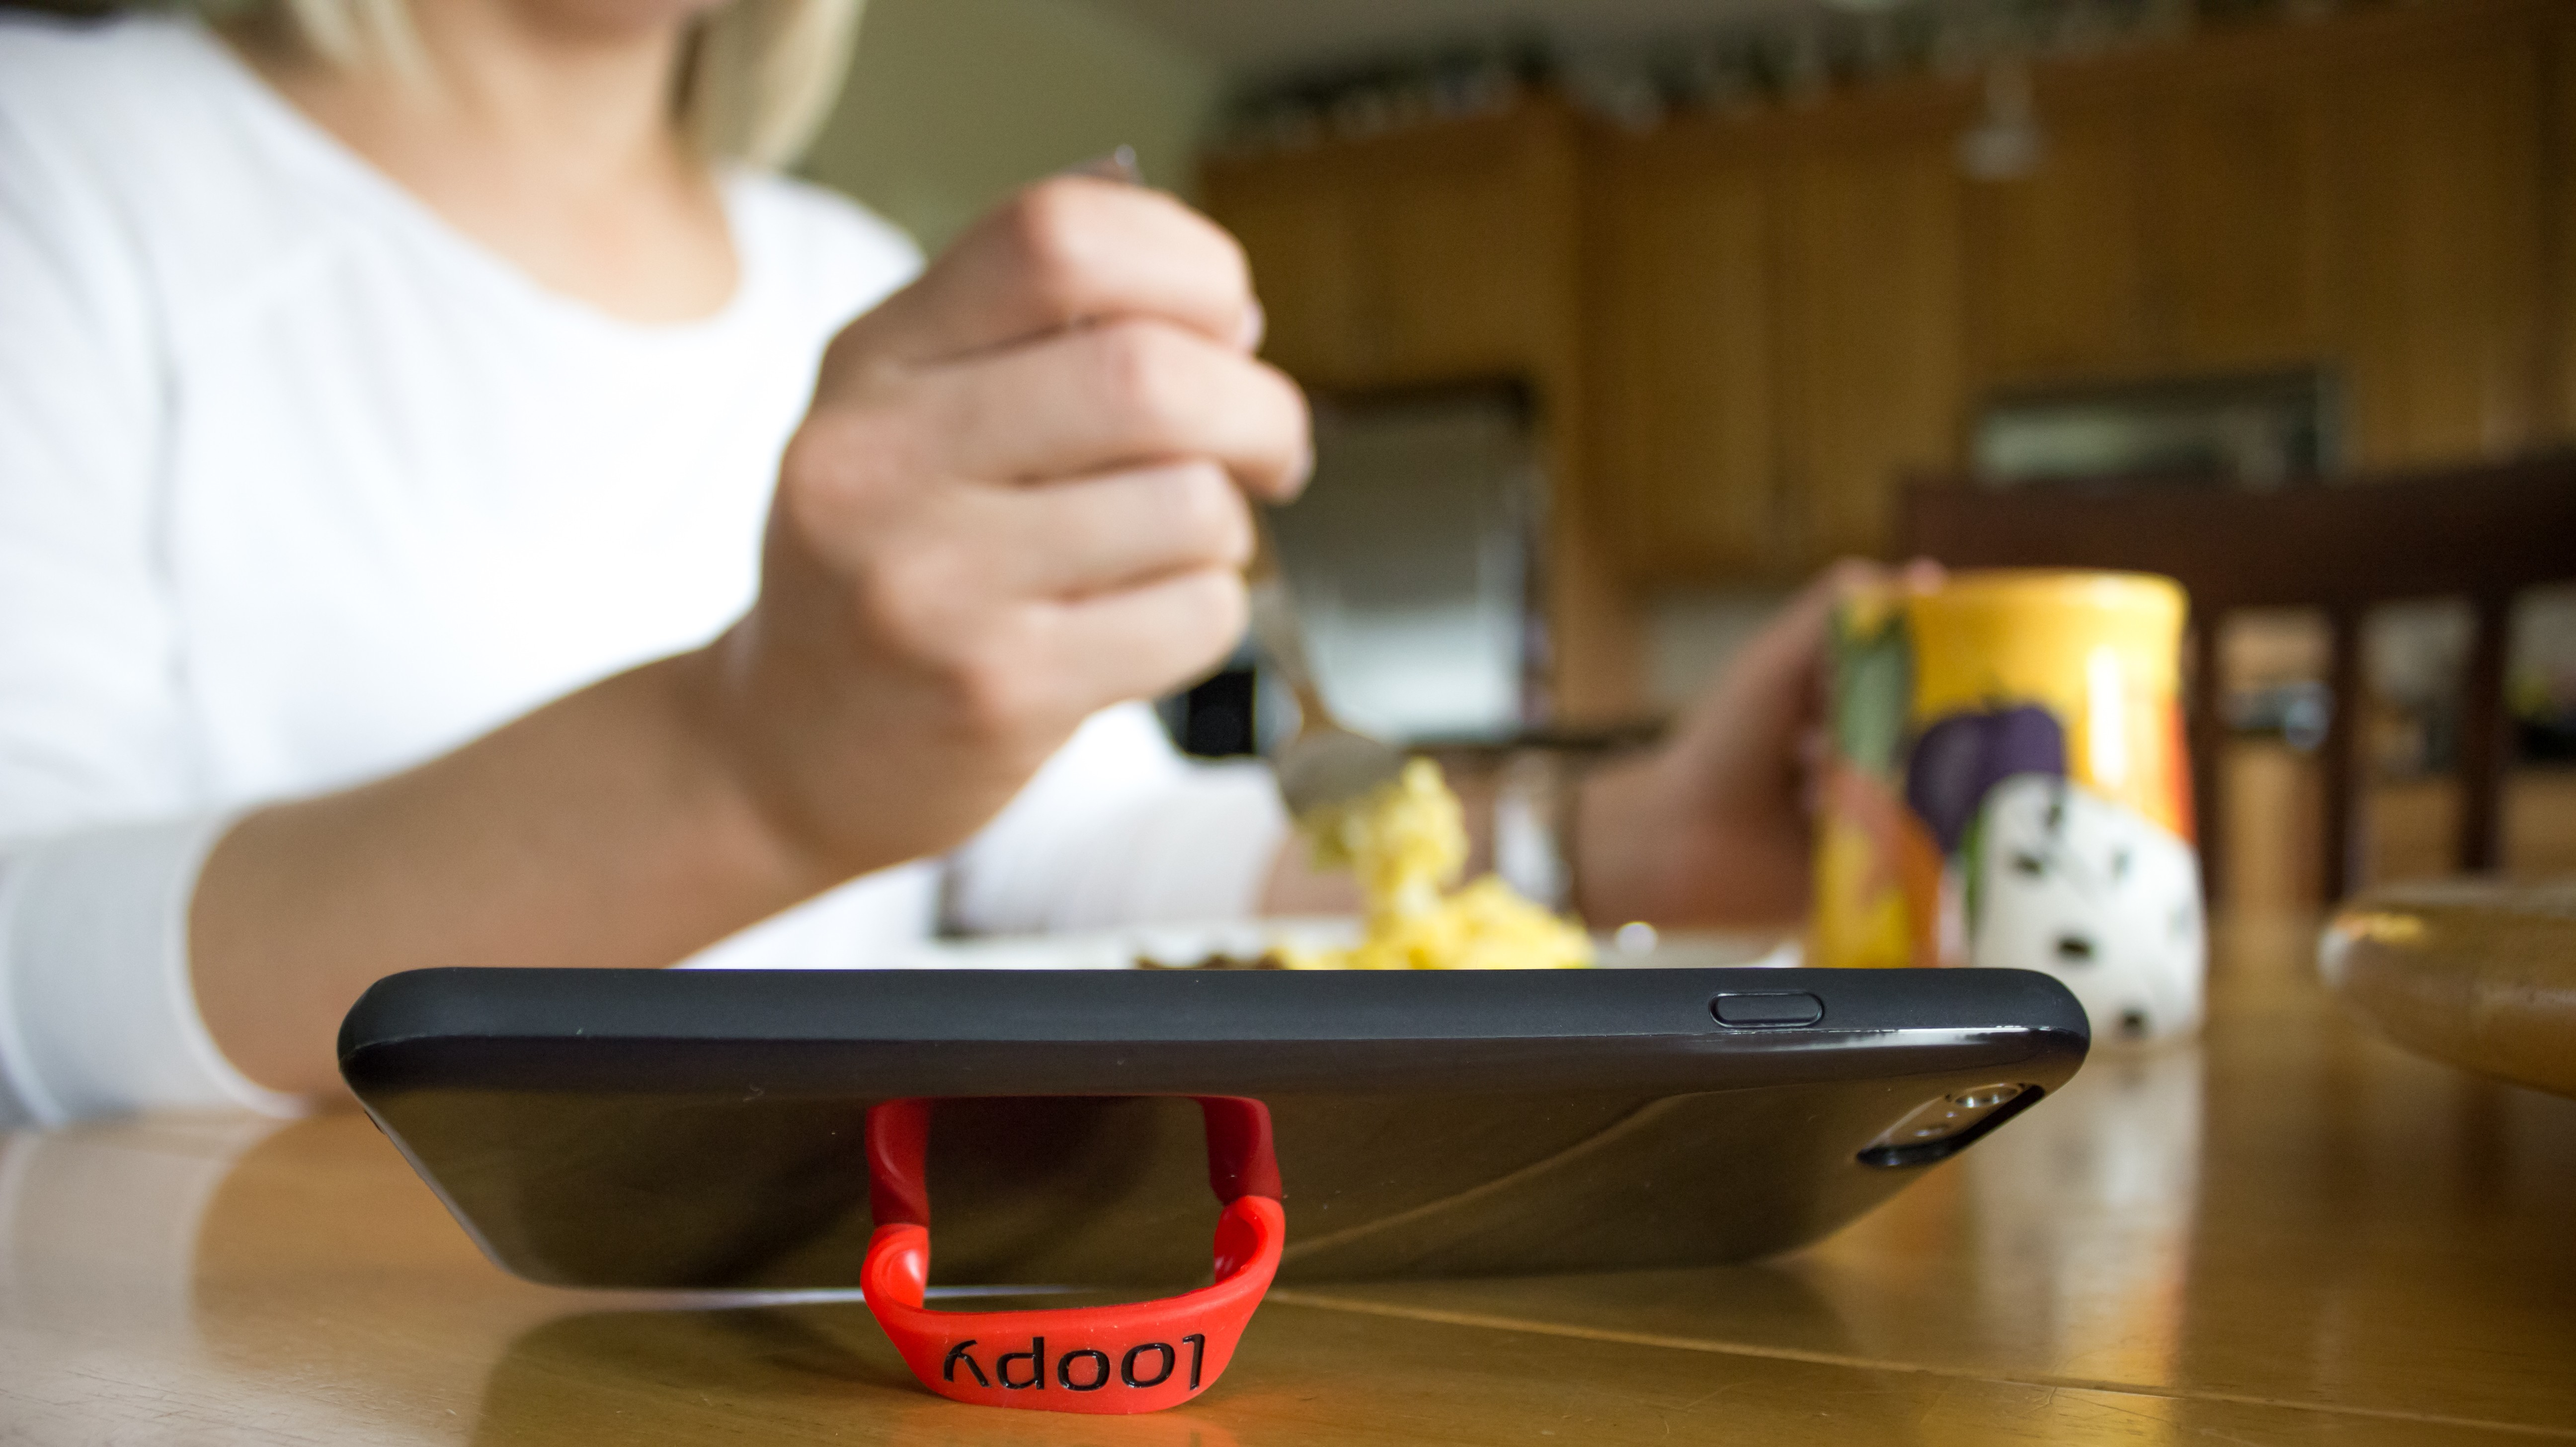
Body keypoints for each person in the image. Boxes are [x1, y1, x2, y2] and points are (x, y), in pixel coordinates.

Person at [0, 0, 1839, 1128]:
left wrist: (1622, 847)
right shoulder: (63, 162)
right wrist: (748, 767)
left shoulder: (842, 280)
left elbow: (1076, 854)